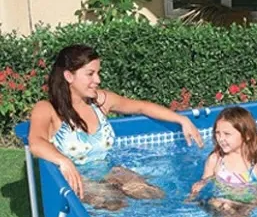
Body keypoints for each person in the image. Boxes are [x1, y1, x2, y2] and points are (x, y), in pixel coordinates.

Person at [28, 44, 203, 200]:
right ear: (68, 76)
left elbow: (141, 107)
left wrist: (181, 119)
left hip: (109, 171)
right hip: (79, 179)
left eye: (98, 73)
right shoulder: (47, 108)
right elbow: (36, 142)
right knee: (114, 203)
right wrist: (64, 161)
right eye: (90, 74)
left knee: (155, 196)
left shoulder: (100, 101)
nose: (98, 80)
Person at [186, 106, 257, 217]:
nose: (221, 139)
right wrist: (196, 189)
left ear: (247, 135)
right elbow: (205, 180)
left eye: (227, 134)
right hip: (223, 201)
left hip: (249, 204)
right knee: (220, 204)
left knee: (243, 210)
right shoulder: (216, 160)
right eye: (217, 133)